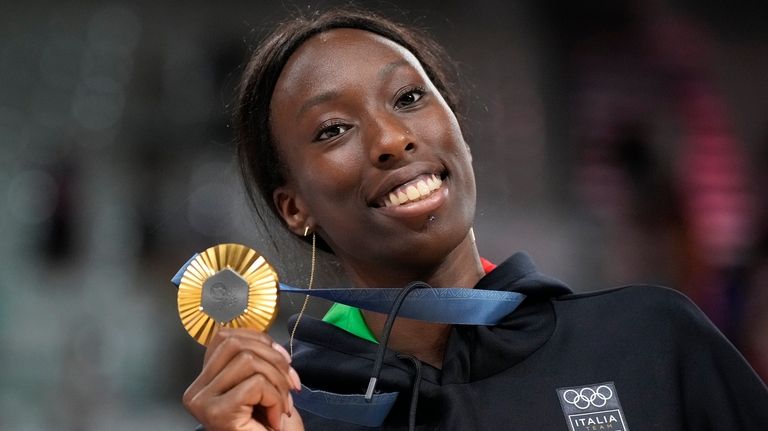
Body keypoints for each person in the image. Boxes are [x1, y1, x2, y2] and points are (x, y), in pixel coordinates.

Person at [180, 8, 768, 431]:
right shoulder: (290, 410)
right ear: (294, 208)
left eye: (409, 99)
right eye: (334, 129)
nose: (391, 139)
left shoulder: (649, 341)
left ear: (457, 128)